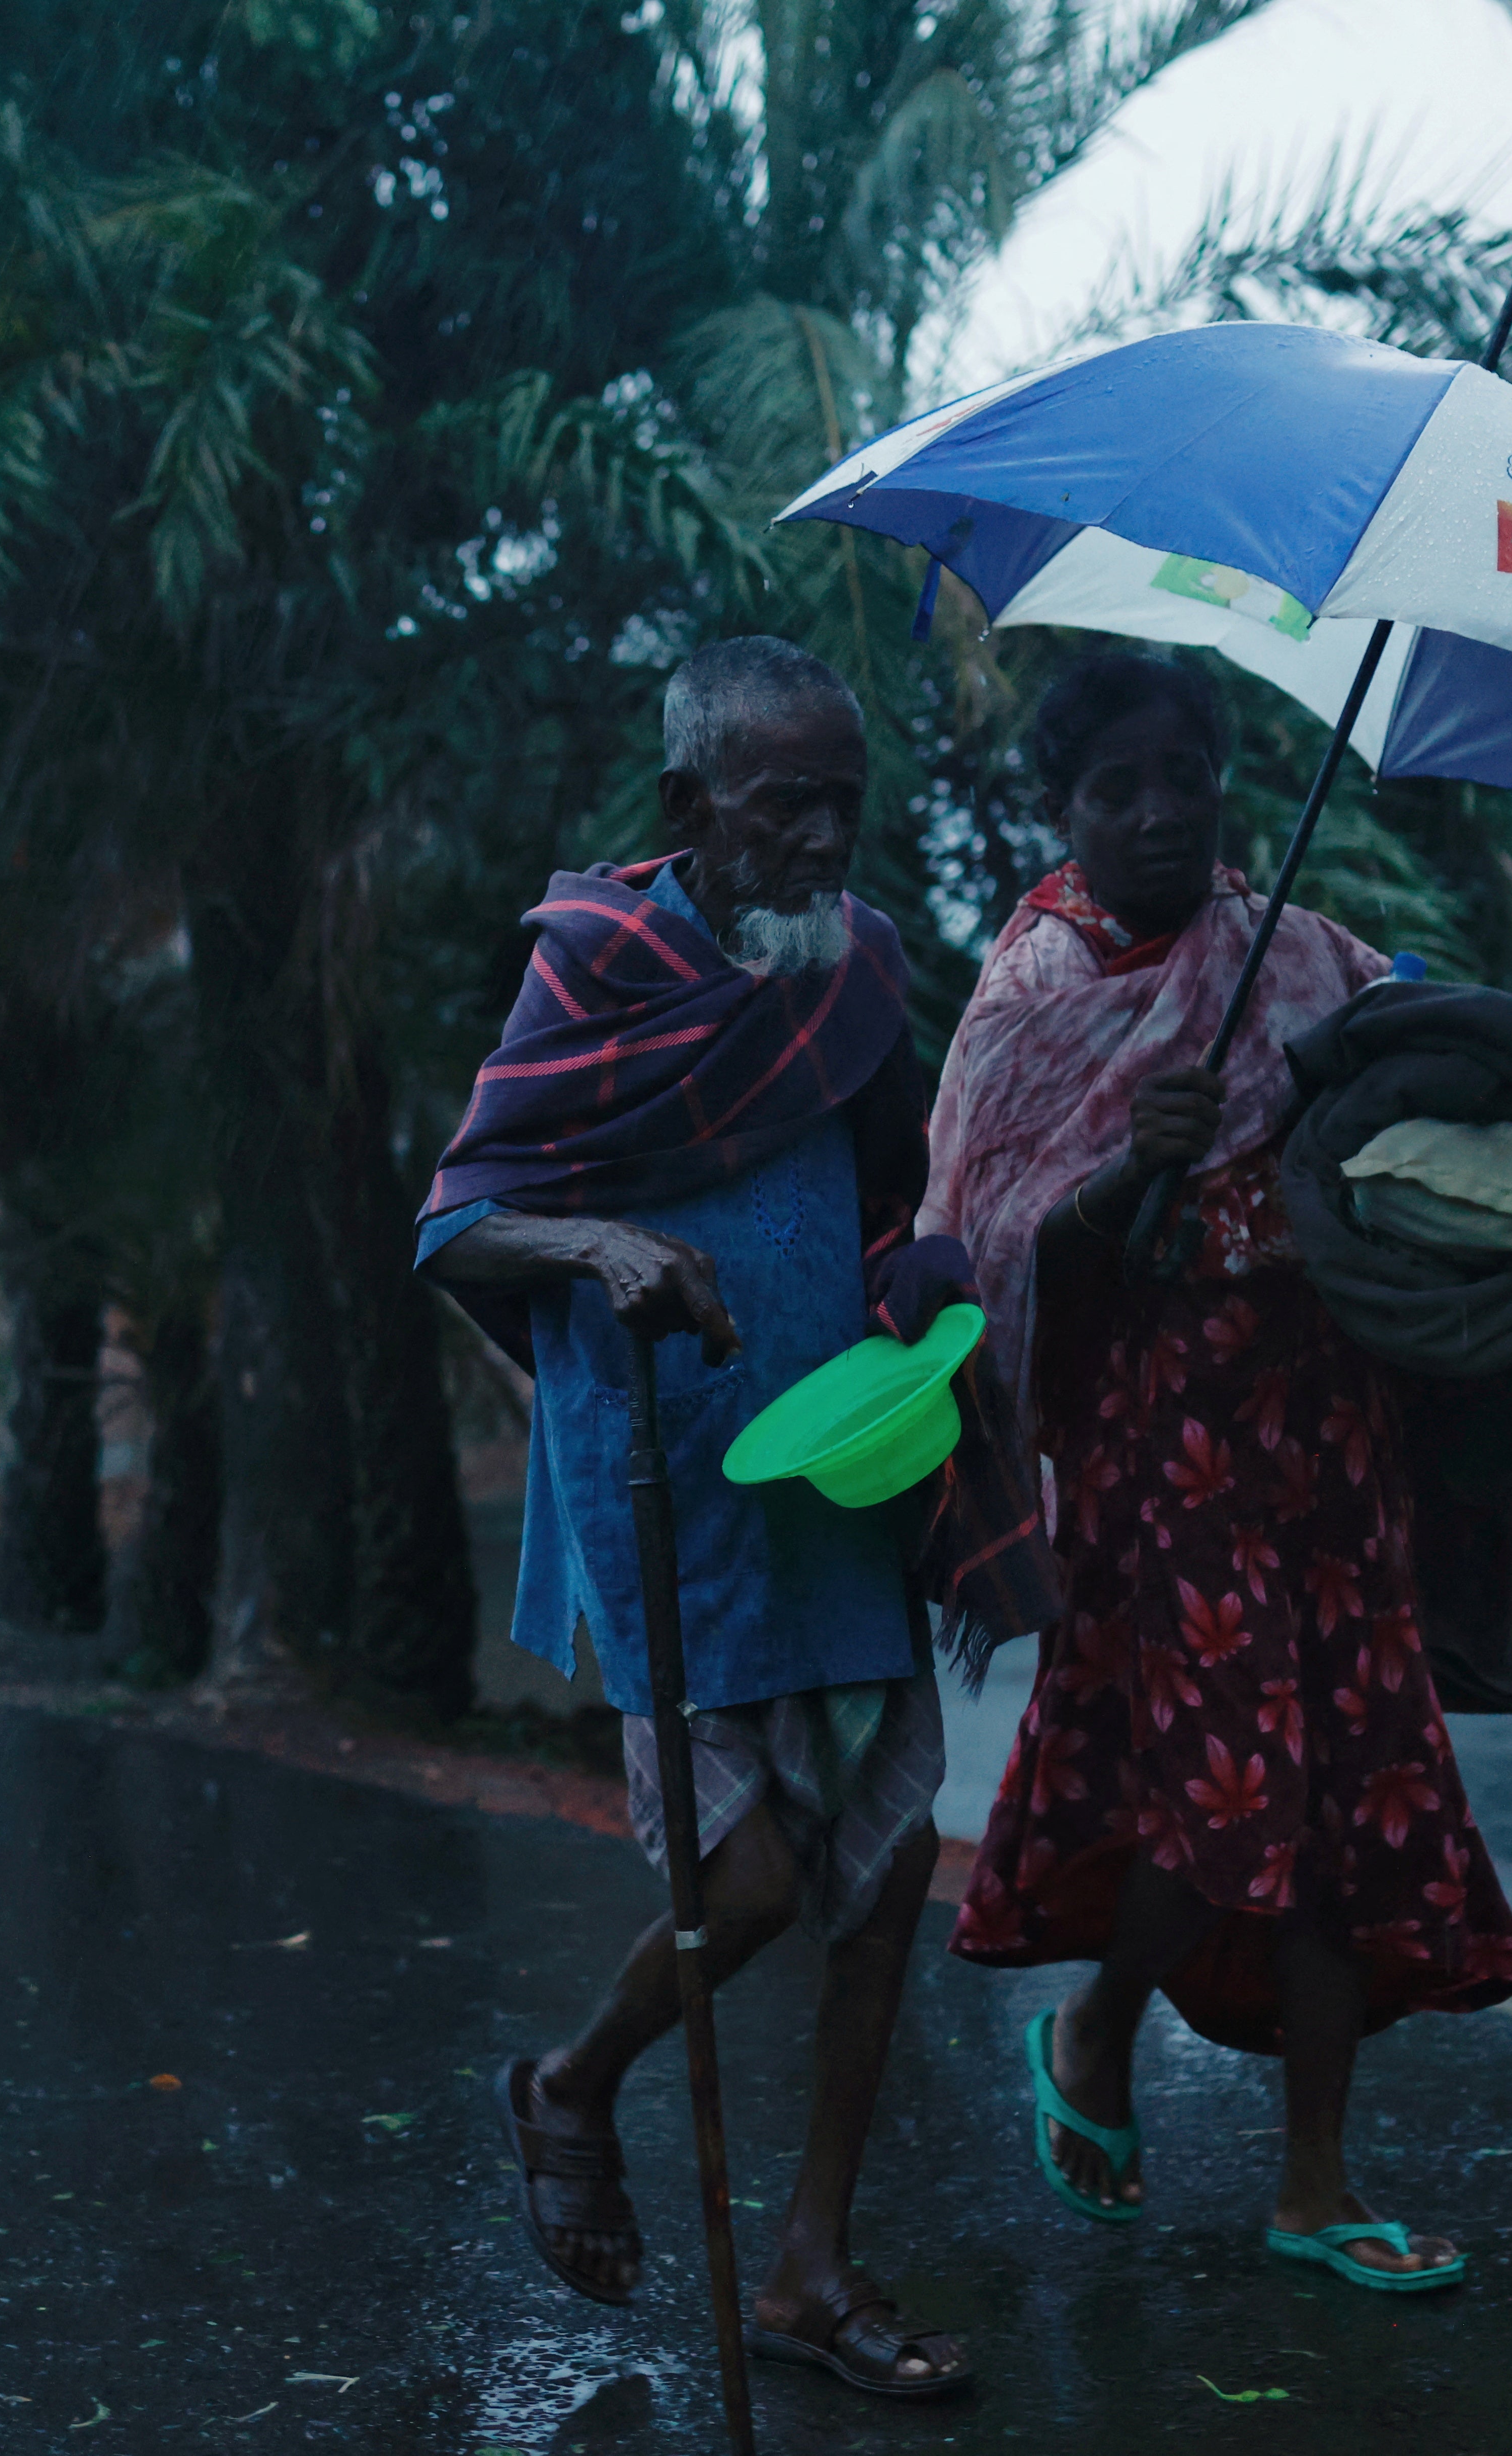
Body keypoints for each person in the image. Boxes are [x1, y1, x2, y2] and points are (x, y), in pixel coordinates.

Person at [920, 651, 1512, 2294]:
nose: (1154, 812)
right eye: (1113, 787)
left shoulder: (1305, 961)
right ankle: (1097, 2028)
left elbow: (1409, 1089)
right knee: (1228, 1790)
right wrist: (1137, 1165)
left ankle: (1316, 2186)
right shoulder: (1037, 993)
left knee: (1346, 1789)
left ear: (1221, 786)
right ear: (1062, 811)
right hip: (1155, 1446)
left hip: (1326, 1434)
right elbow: (986, 1248)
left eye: (1179, 776)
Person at [420, 637, 987, 2398]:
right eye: (780, 805)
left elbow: (901, 1193)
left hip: (838, 1470)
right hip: (667, 1491)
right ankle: (572, 2087)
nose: (819, 839)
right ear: (690, 807)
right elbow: (455, 1222)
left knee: (884, 1881)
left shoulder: (862, 966)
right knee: (740, 1886)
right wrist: (594, 1243)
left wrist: (927, 1288)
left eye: (844, 803)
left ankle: (810, 2268)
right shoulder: (592, 966)